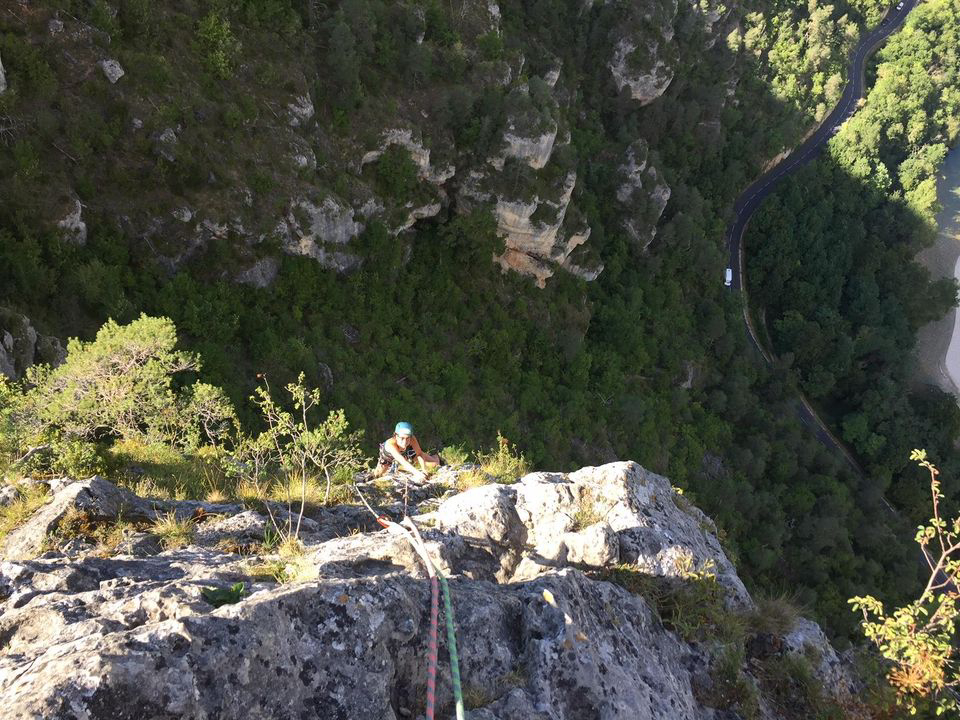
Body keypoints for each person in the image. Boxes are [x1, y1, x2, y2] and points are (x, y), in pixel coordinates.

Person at [374, 422, 441, 481]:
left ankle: (436, 456)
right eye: (402, 438)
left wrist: (423, 469)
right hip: (388, 457)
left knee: (435, 464)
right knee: (378, 475)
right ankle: (400, 467)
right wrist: (417, 473)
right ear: (396, 436)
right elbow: (403, 461)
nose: (405, 442)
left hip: (407, 452)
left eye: (407, 438)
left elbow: (419, 453)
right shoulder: (390, 445)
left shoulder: (412, 438)